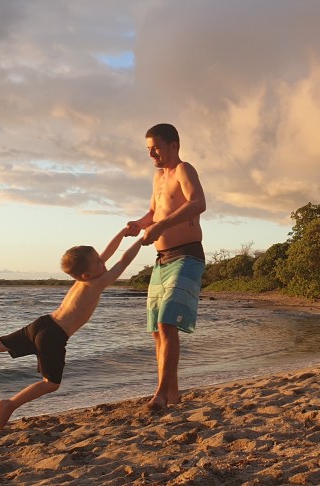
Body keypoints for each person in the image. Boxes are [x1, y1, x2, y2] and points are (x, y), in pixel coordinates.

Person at [0, 228, 143, 431]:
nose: (103, 261)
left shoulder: (85, 279)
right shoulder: (97, 283)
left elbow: (108, 252)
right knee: (51, 383)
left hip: (43, 323)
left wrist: (123, 232)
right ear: (87, 273)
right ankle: (10, 404)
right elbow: (123, 261)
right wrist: (143, 239)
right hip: (54, 335)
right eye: (99, 262)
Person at [126, 123, 207, 411]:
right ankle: (172, 393)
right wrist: (139, 224)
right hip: (162, 260)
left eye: (156, 148)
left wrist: (160, 227)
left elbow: (198, 203)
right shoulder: (158, 177)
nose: (151, 154)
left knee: (167, 321)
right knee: (156, 330)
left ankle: (160, 394)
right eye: (149, 149)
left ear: (174, 145)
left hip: (187, 255)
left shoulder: (184, 169)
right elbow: (154, 212)